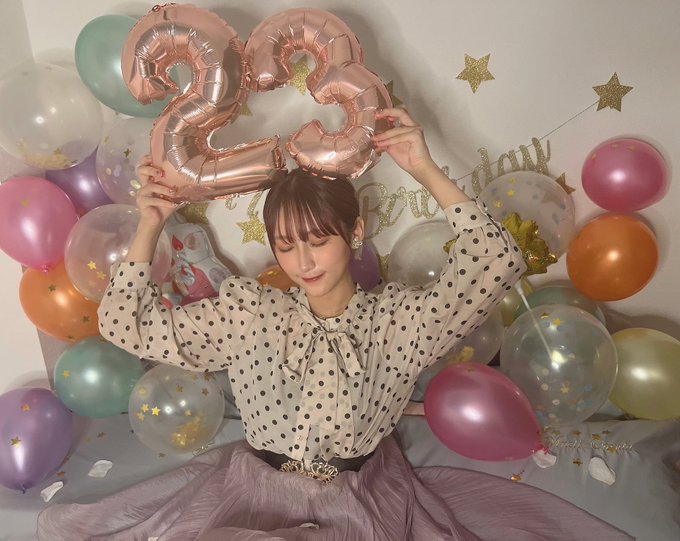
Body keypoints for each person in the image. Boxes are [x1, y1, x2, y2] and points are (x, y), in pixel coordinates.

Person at [37, 108, 631, 540]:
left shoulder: (399, 322)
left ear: (355, 232)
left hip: (356, 501)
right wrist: (150, 224)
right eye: (286, 245)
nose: (303, 262)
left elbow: (495, 261)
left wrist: (424, 167)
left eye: (318, 240)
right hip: (255, 494)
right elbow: (126, 326)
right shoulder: (252, 313)